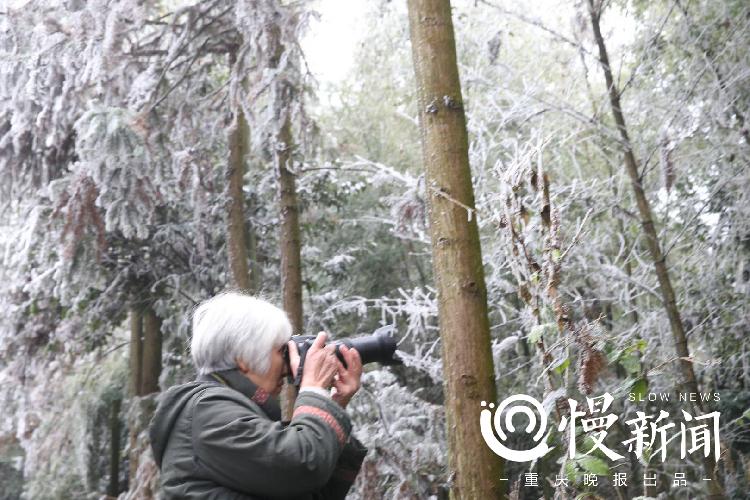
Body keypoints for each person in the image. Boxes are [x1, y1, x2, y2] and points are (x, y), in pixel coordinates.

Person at [149, 292, 367, 499]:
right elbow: (302, 467)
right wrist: (314, 389)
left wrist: (334, 404)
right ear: (243, 359)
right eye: (280, 351)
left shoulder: (227, 412)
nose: (287, 365)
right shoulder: (207, 411)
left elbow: (308, 493)